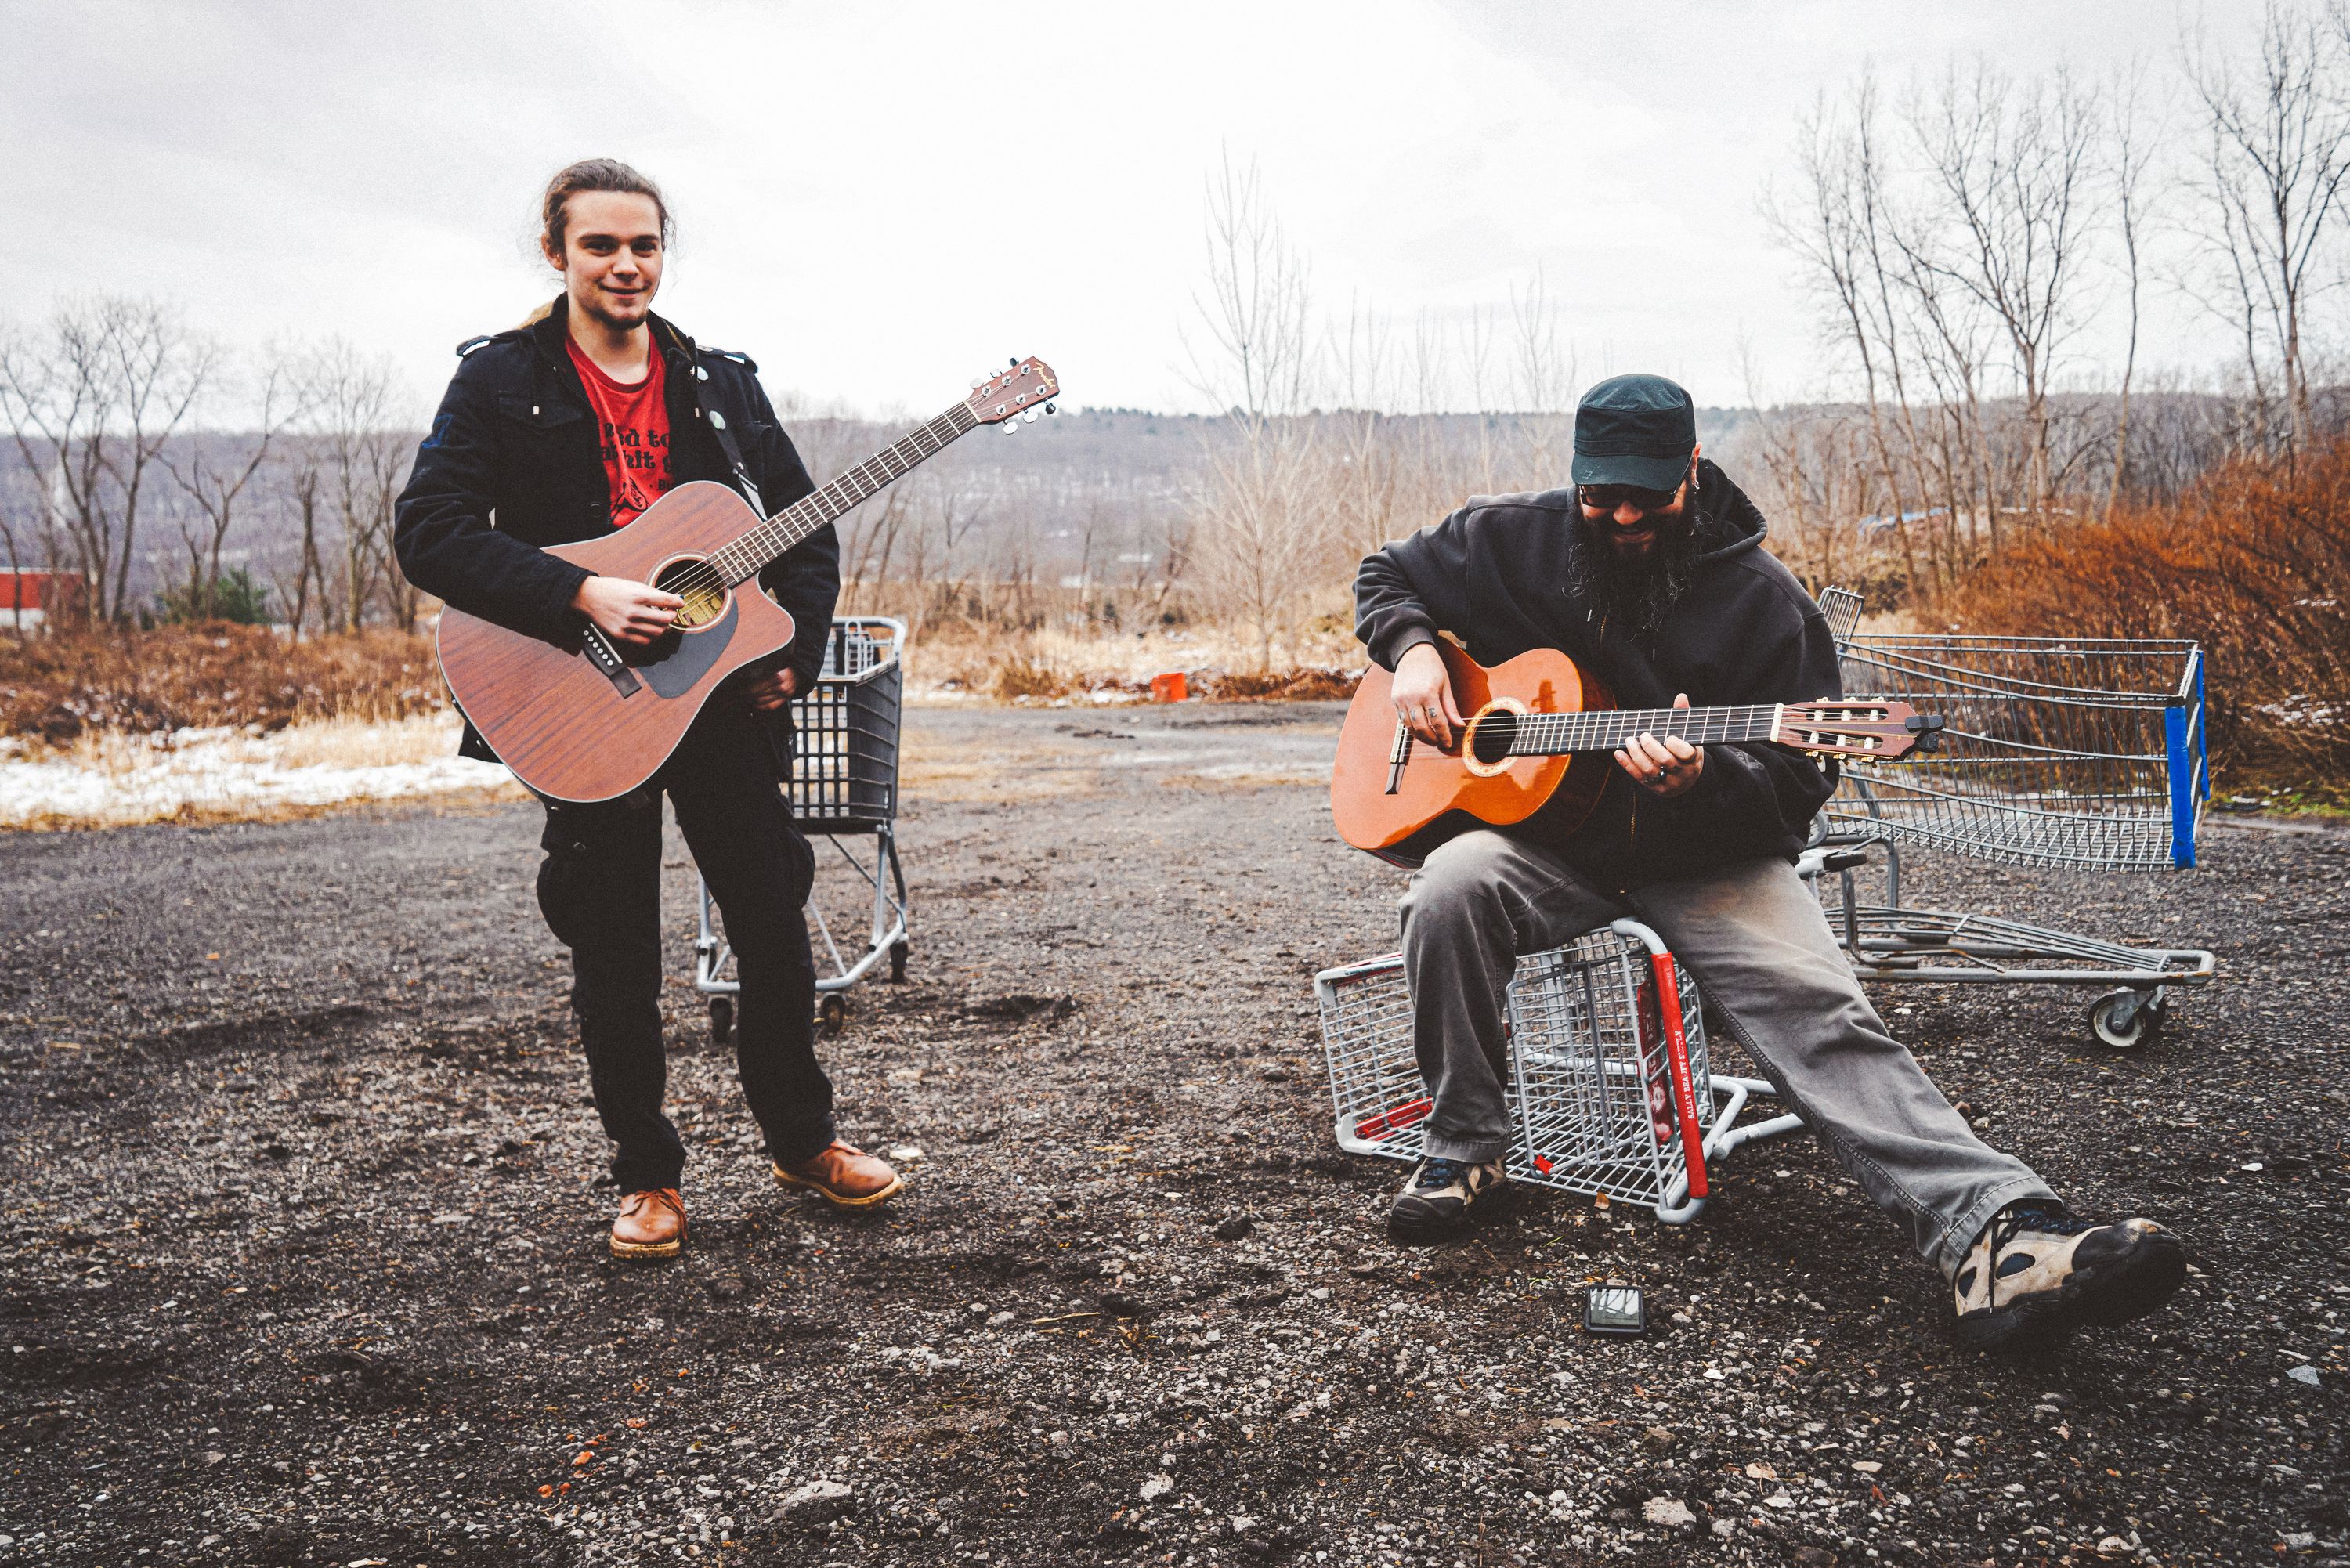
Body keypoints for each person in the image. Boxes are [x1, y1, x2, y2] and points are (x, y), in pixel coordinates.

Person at [1352, 372, 2186, 1350]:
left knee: (1821, 1007)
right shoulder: (1513, 537)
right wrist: (1409, 648)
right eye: (1598, 493)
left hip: (1707, 853)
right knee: (1446, 890)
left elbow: (1797, 789)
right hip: (1553, 845)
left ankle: (1999, 1238)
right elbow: (1386, 573)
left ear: (1691, 471)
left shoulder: (1765, 600)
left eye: (1645, 497)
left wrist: (1701, 779)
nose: (1619, 514)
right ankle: (1465, 1150)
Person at [394, 158, 902, 1261]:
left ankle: (803, 1140)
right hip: (575, 691)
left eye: (645, 245)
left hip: (717, 701)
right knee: (614, 943)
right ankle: (647, 1177)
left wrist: (796, 651)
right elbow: (429, 530)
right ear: (557, 254)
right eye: (601, 246)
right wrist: (577, 589)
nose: (627, 266)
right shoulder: (500, 381)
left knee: (773, 918)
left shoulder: (717, 382)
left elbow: (805, 532)